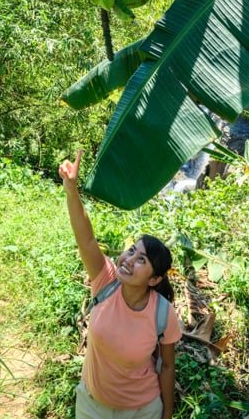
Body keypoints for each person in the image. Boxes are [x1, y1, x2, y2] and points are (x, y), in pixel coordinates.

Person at [58, 150, 182, 419]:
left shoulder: (162, 314)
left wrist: (167, 414)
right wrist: (71, 190)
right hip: (91, 404)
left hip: (141, 411)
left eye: (141, 260)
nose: (129, 260)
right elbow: (87, 240)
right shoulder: (106, 281)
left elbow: (168, 367)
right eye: (131, 251)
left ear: (155, 279)